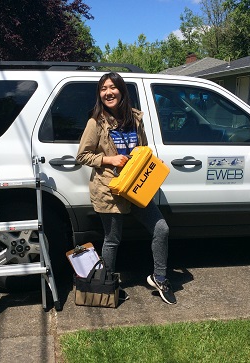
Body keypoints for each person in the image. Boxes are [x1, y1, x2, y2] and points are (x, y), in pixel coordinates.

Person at [76, 72, 176, 305]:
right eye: (103, 89)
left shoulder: (135, 118)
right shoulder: (96, 122)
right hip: (109, 189)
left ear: (121, 91)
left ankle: (159, 278)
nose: (108, 92)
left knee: (161, 229)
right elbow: (82, 155)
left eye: (112, 87)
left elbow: (142, 147)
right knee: (112, 240)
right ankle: (107, 286)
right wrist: (110, 160)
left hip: (136, 186)